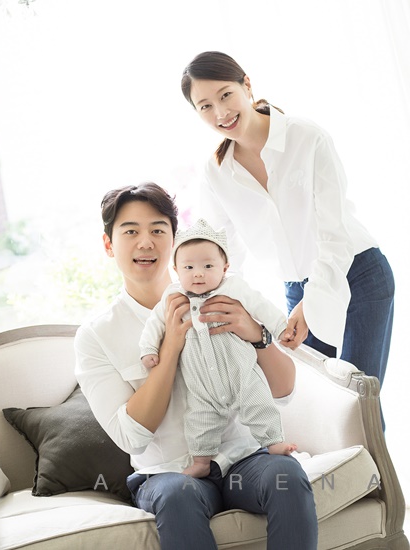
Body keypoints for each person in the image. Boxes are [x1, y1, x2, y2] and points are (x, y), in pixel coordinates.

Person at [74, 182, 318, 549]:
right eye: (131, 232)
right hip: (168, 474)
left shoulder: (226, 294)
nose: (146, 242)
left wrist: (256, 334)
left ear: (173, 242)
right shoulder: (96, 335)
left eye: (158, 230)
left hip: (241, 459)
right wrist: (170, 347)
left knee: (286, 474)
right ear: (109, 244)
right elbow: (131, 437)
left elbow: (284, 392)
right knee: (178, 496)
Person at [181, 51, 395, 413]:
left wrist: (312, 304)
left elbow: (334, 233)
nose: (220, 113)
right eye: (205, 106)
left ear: (246, 85)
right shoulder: (215, 172)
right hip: (296, 288)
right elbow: (223, 253)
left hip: (357, 273)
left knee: (358, 406)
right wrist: (223, 307)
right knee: (317, 408)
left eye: (225, 95)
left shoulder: (306, 137)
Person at [140, 217, 297, 478]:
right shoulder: (173, 297)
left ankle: (274, 442)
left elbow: (261, 306)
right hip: (202, 386)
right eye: (189, 267)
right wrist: (148, 349)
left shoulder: (233, 288)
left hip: (241, 373)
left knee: (259, 405)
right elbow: (154, 324)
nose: (198, 273)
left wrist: (281, 328)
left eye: (208, 266)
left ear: (225, 267)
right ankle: (202, 461)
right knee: (198, 420)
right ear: (176, 270)